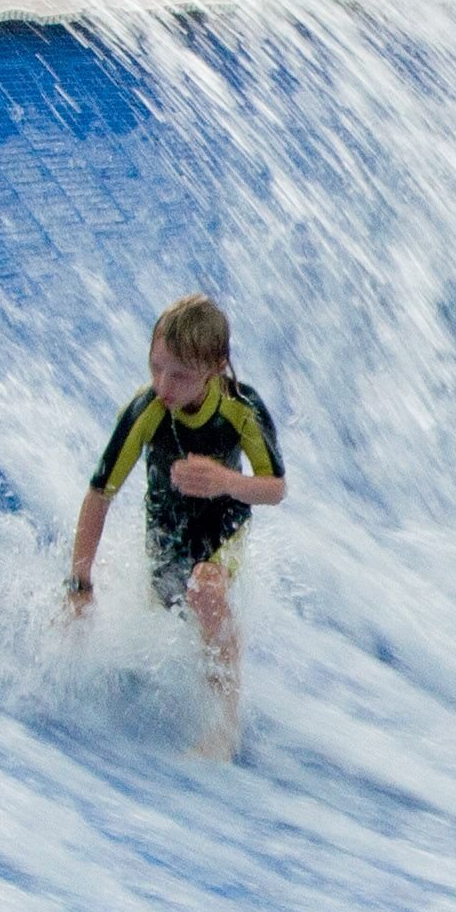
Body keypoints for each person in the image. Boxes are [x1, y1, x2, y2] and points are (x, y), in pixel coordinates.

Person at [63, 292, 288, 761]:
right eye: (155, 367)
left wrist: (226, 481)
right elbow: (100, 494)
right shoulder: (147, 411)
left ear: (215, 366)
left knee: (207, 591)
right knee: (166, 621)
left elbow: (275, 488)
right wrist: (80, 584)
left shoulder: (241, 409)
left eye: (180, 375)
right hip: (165, 536)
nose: (163, 385)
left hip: (223, 528)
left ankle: (224, 727)